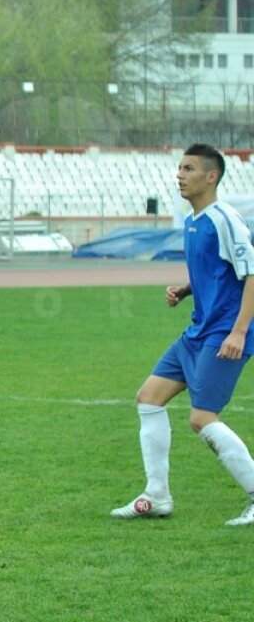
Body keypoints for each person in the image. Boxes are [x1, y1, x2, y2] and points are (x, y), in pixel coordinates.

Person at [111, 144, 254, 525]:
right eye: (178, 168)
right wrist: (187, 289)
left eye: (189, 168)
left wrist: (239, 332)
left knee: (202, 417)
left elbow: (251, 272)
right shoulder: (193, 221)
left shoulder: (225, 219)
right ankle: (157, 495)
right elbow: (217, 270)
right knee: (148, 399)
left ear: (211, 177)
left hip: (224, 334)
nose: (180, 175)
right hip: (198, 330)